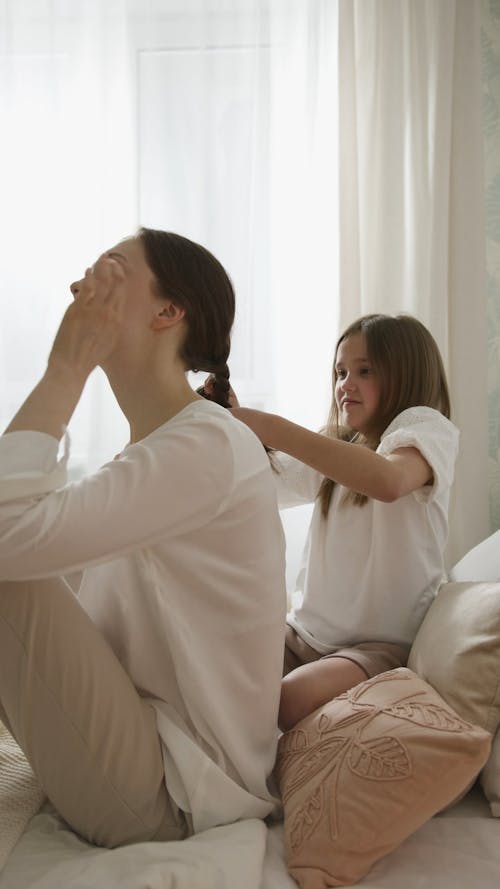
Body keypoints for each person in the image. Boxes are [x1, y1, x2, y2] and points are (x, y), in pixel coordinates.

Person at [0, 228, 287, 848]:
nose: (81, 289)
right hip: (135, 746)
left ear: (168, 311)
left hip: (174, 790)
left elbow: (7, 539)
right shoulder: (152, 454)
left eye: (108, 272)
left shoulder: (208, 444)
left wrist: (66, 367)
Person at [230, 313, 459, 732]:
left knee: (287, 701)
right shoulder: (336, 445)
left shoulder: (426, 431)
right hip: (303, 634)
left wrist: (270, 426)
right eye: (340, 372)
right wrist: (231, 427)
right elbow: (258, 486)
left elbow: (389, 481)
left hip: (378, 647)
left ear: (406, 374)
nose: (345, 385)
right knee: (211, 666)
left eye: (364, 371)